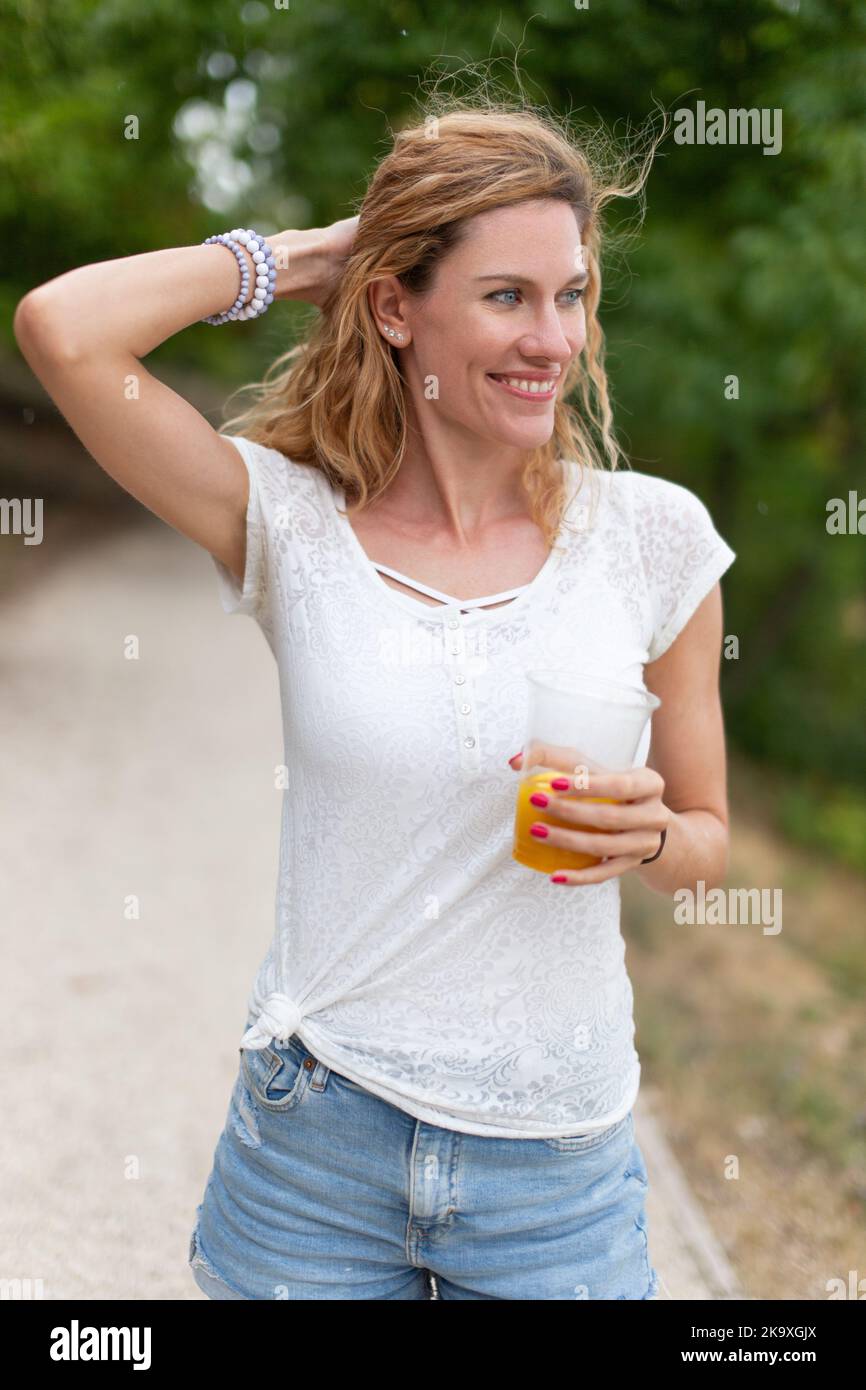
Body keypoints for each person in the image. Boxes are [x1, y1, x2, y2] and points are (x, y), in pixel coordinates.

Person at [14, 100, 735, 1300]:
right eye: (505, 296)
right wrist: (298, 258)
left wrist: (652, 834)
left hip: (553, 1172)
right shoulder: (290, 523)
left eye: (572, 294)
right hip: (312, 1150)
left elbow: (706, 846)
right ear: (396, 308)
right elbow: (61, 328)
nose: (551, 339)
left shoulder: (652, 539)